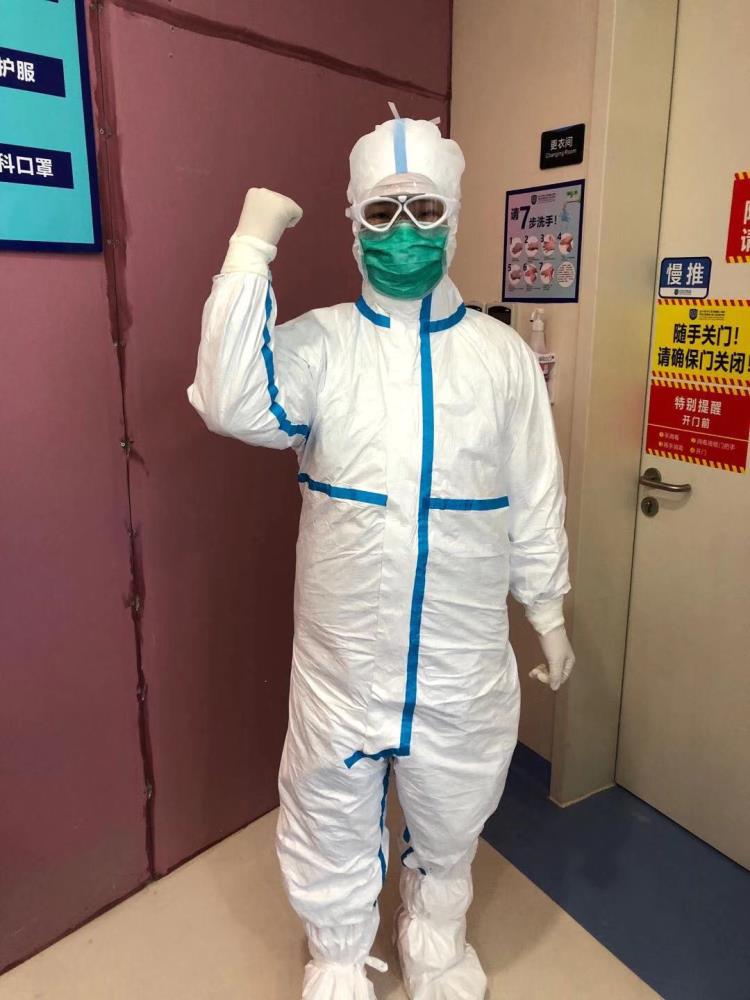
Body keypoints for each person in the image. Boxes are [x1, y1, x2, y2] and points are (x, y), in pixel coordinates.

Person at [188, 112, 575, 1000]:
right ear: (354, 222)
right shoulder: (322, 346)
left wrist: (548, 610)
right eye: (383, 212)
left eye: (424, 210)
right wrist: (252, 246)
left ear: (454, 216)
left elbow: (536, 494)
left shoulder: (501, 360)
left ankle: (435, 935)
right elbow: (229, 399)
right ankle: (336, 954)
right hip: (344, 664)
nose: (405, 232)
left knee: (454, 805)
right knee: (327, 807)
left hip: (458, 660)